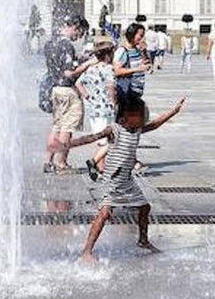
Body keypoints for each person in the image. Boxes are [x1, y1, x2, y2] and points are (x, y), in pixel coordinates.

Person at [78, 93, 186, 263]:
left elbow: (155, 124)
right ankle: (87, 251)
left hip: (126, 180)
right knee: (104, 213)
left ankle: (143, 240)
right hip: (112, 180)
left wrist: (173, 111)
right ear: (123, 117)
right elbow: (96, 136)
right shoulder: (115, 130)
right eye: (137, 115)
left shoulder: (137, 130)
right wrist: (71, 143)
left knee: (145, 207)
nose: (141, 118)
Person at [43, 15, 89, 173]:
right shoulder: (66, 45)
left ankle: (48, 161)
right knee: (67, 128)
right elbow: (69, 73)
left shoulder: (50, 43)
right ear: (76, 27)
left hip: (55, 89)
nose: (79, 37)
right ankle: (61, 163)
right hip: (68, 90)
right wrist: (87, 64)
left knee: (56, 127)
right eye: (80, 33)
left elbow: (57, 67)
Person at [75, 37, 117, 180]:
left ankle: (101, 169)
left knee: (101, 140)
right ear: (108, 55)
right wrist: (114, 103)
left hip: (94, 109)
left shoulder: (91, 69)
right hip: (106, 110)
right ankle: (95, 163)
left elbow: (78, 83)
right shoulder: (108, 69)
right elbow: (111, 88)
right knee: (112, 140)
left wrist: (87, 96)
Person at [114, 22, 149, 98]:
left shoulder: (136, 49)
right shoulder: (122, 51)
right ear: (132, 35)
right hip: (127, 91)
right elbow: (117, 71)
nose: (143, 39)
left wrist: (144, 52)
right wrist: (137, 69)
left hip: (137, 91)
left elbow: (147, 65)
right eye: (140, 35)